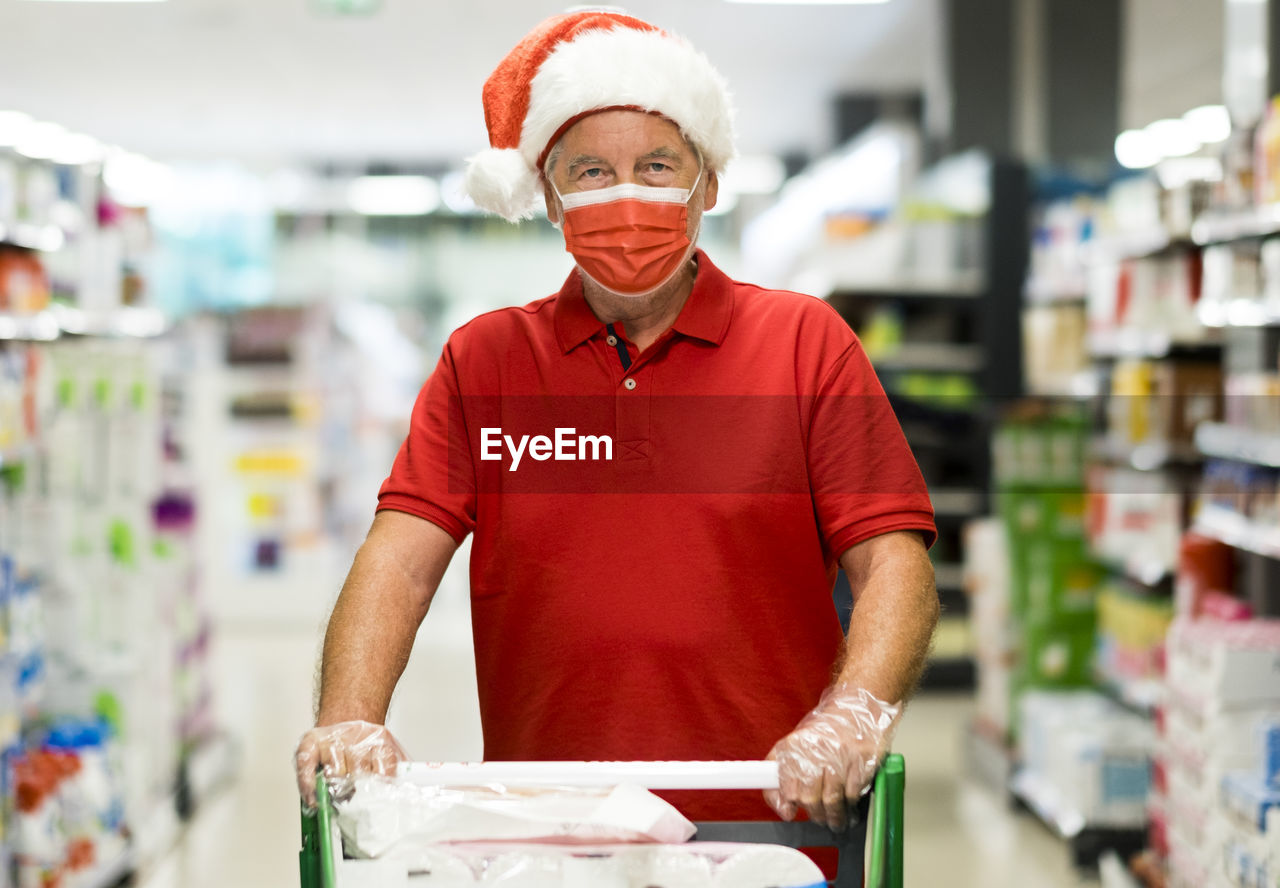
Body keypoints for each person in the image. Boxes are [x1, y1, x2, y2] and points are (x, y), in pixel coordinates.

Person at [295, 9, 939, 837]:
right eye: (591, 171)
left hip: (772, 822)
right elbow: (400, 560)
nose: (626, 195)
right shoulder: (486, 362)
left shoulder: (804, 344)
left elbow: (894, 564)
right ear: (550, 198)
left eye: (658, 164)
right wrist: (349, 717)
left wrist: (852, 715)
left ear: (708, 183)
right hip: (548, 831)